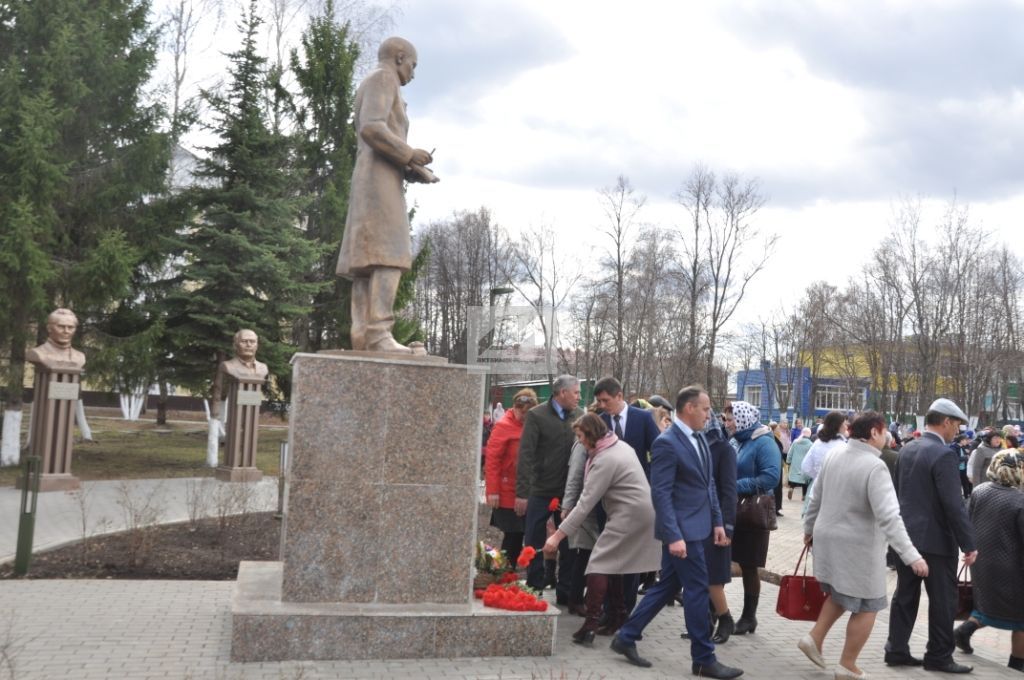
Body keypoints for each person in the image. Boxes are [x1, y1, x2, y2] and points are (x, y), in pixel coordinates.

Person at [610, 387, 742, 679]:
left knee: (667, 586)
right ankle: (704, 659)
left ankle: (627, 635)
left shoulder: (702, 439)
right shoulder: (666, 443)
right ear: (690, 408)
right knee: (696, 590)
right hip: (683, 533)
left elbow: (708, 484)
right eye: (706, 409)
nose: (711, 415)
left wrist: (719, 522)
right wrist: (673, 535)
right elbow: (661, 493)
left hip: (702, 527)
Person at [798, 411, 929, 680]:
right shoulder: (875, 466)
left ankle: (814, 638)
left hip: (828, 539)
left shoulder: (835, 453)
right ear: (874, 433)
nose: (886, 437)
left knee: (840, 593)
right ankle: (848, 666)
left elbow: (815, 498)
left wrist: (809, 530)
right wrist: (911, 555)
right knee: (868, 604)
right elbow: (890, 517)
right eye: (883, 432)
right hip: (857, 546)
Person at [336, 37, 437, 354]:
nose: (413, 73)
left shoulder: (378, 81)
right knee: (389, 254)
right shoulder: (383, 78)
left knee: (370, 260)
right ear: (400, 57)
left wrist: (411, 169)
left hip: (379, 176)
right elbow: (372, 127)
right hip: (378, 181)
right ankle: (378, 334)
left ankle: (363, 334)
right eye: (413, 65)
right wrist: (410, 153)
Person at [543, 414, 661, 645]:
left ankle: (591, 624)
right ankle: (618, 616)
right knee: (613, 564)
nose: (578, 441)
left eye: (580, 436)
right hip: (639, 512)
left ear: (590, 434)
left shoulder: (605, 459)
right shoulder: (619, 445)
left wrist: (557, 536)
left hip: (629, 515)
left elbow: (585, 504)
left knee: (597, 564)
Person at [885, 398, 978, 673]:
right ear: (946, 422)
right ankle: (938, 656)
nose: (957, 431)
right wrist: (969, 543)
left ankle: (896, 650)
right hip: (936, 542)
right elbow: (953, 504)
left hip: (905, 538)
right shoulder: (944, 454)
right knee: (942, 601)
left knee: (904, 596)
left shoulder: (907, 449)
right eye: (957, 425)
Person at [953, 450, 1024, 672]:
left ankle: (964, 631)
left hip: (981, 561)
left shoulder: (980, 491)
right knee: (1021, 618)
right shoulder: (1019, 500)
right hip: (1012, 567)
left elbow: (969, 521)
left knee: (988, 603)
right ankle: (1017, 665)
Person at [593, 376, 660, 609]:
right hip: (608, 502)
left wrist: (651, 486)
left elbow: (658, 452)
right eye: (599, 401)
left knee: (632, 557)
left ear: (619, 396)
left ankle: (626, 607)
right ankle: (609, 608)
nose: (602, 405)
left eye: (605, 400)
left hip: (636, 500)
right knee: (610, 556)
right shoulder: (599, 422)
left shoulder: (642, 418)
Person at [515, 375, 583, 600]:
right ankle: (535, 587)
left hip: (569, 493)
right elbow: (525, 455)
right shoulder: (537, 415)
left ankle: (565, 592)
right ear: (562, 393)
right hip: (541, 489)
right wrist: (522, 493)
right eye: (576, 392)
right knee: (533, 539)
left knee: (569, 542)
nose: (578, 397)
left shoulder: (580, 416)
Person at [730, 400, 781, 636]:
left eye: (731, 419)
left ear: (743, 419)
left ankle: (749, 617)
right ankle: (715, 612)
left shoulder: (764, 442)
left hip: (753, 513)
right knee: (725, 560)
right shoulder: (737, 440)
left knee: (749, 565)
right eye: (726, 419)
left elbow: (770, 477)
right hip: (732, 508)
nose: (728, 423)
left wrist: (735, 485)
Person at [484, 389, 538, 569]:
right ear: (514, 408)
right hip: (507, 490)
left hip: (527, 488)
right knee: (513, 533)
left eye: (528, 413)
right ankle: (504, 570)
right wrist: (492, 491)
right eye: (522, 412)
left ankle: (506, 570)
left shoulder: (534, 425)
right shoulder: (503, 426)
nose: (525, 416)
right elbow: (492, 460)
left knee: (523, 534)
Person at [801, 411, 848, 484]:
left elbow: (805, 467)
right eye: (845, 424)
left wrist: (818, 476)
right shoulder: (843, 447)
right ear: (838, 426)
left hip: (817, 488)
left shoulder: (817, 443)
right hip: (836, 488)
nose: (846, 427)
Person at [786, 427, 813, 501]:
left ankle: (791, 488)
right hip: (805, 464)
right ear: (810, 434)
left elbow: (790, 452)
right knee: (804, 481)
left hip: (795, 463)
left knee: (794, 478)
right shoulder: (811, 444)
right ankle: (804, 495)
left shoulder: (795, 442)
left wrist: (788, 461)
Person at [950, 433, 972, 498]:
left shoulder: (962, 447)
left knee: (965, 483)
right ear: (961, 440)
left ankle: (966, 497)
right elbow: (955, 458)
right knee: (957, 485)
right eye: (966, 440)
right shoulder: (953, 447)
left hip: (964, 468)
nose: (967, 441)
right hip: (957, 469)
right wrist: (966, 457)